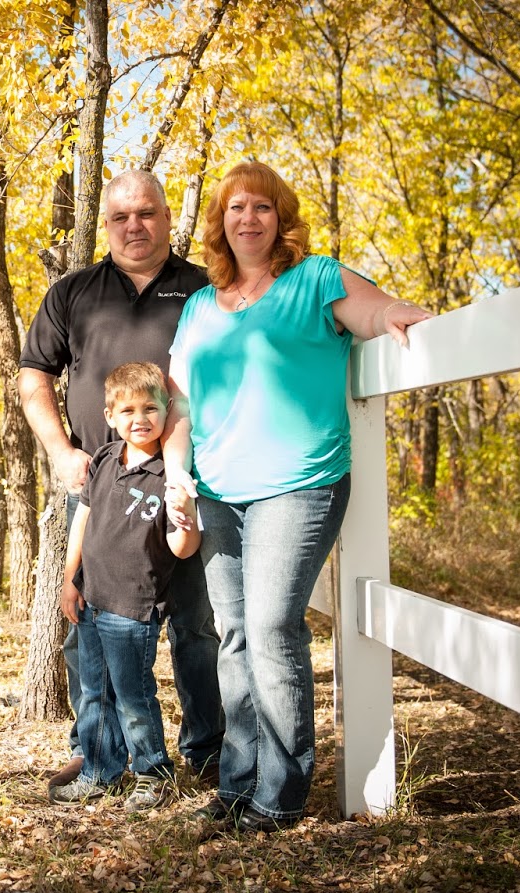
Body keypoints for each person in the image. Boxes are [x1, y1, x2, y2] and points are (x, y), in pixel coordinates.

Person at [162, 161, 431, 833]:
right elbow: (178, 404)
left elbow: (371, 310)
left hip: (300, 483)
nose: (247, 217)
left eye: (261, 206)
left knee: (271, 626)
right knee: (232, 636)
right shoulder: (199, 307)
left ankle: (280, 797)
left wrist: (394, 312)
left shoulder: (315, 278)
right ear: (220, 224)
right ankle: (238, 781)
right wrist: (175, 472)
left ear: (281, 218)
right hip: (219, 492)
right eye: (234, 208)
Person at [19, 170, 225, 792]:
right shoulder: (74, 292)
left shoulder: (204, 290)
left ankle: (208, 750)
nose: (133, 226)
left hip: (185, 485)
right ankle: (99, 751)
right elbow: (33, 377)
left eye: (146, 213)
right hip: (97, 488)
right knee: (92, 626)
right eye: (120, 217)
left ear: (167, 217)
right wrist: (60, 452)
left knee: (196, 625)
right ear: (105, 224)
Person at [50, 363, 201, 810]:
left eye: (150, 408)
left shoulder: (171, 474)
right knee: (94, 691)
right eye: (128, 409)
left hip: (134, 606)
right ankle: (100, 771)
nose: (140, 418)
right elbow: (84, 518)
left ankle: (154, 774)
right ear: (111, 416)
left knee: (133, 696)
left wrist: (186, 516)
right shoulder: (103, 460)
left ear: (166, 411)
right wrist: (68, 579)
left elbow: (183, 549)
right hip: (92, 595)